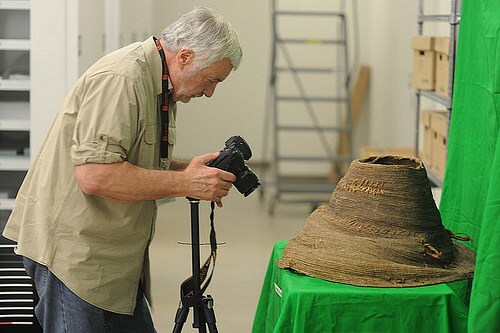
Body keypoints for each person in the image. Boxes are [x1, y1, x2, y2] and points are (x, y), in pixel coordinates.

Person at [2, 6, 242, 332]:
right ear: (185, 56)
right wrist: (185, 183)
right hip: (74, 258)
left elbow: (128, 157)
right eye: (212, 80)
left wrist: (187, 170)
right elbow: (95, 174)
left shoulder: (160, 82)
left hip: (112, 263)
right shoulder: (123, 79)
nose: (210, 92)